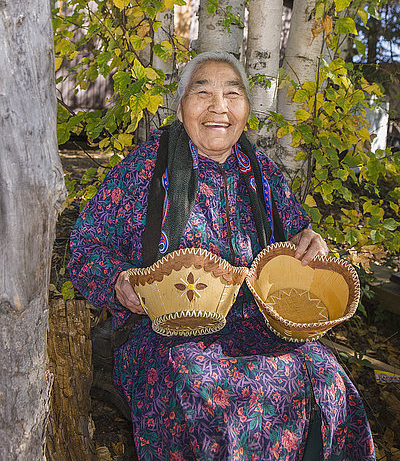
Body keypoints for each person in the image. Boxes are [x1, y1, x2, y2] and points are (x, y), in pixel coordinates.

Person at [68, 51, 375, 461]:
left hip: (259, 324)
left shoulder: (261, 171)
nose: (219, 106)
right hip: (166, 334)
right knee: (204, 389)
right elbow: (85, 243)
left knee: (324, 375)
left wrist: (310, 241)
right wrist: (117, 281)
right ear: (181, 107)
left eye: (233, 93)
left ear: (246, 109)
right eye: (203, 92)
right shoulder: (145, 168)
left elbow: (299, 233)